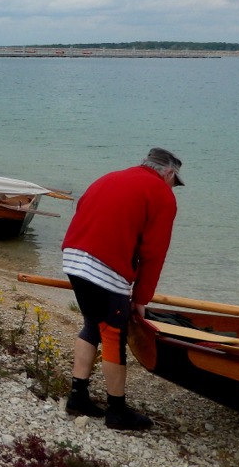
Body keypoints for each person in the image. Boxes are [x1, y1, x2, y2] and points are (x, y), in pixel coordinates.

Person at [61, 147, 183, 431]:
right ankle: (117, 411)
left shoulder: (111, 177)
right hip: (106, 265)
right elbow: (154, 253)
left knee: (93, 322)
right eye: (174, 182)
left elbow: (83, 210)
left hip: (73, 256)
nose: (173, 188)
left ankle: (78, 396)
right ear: (168, 172)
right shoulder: (162, 194)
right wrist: (141, 298)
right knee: (115, 334)